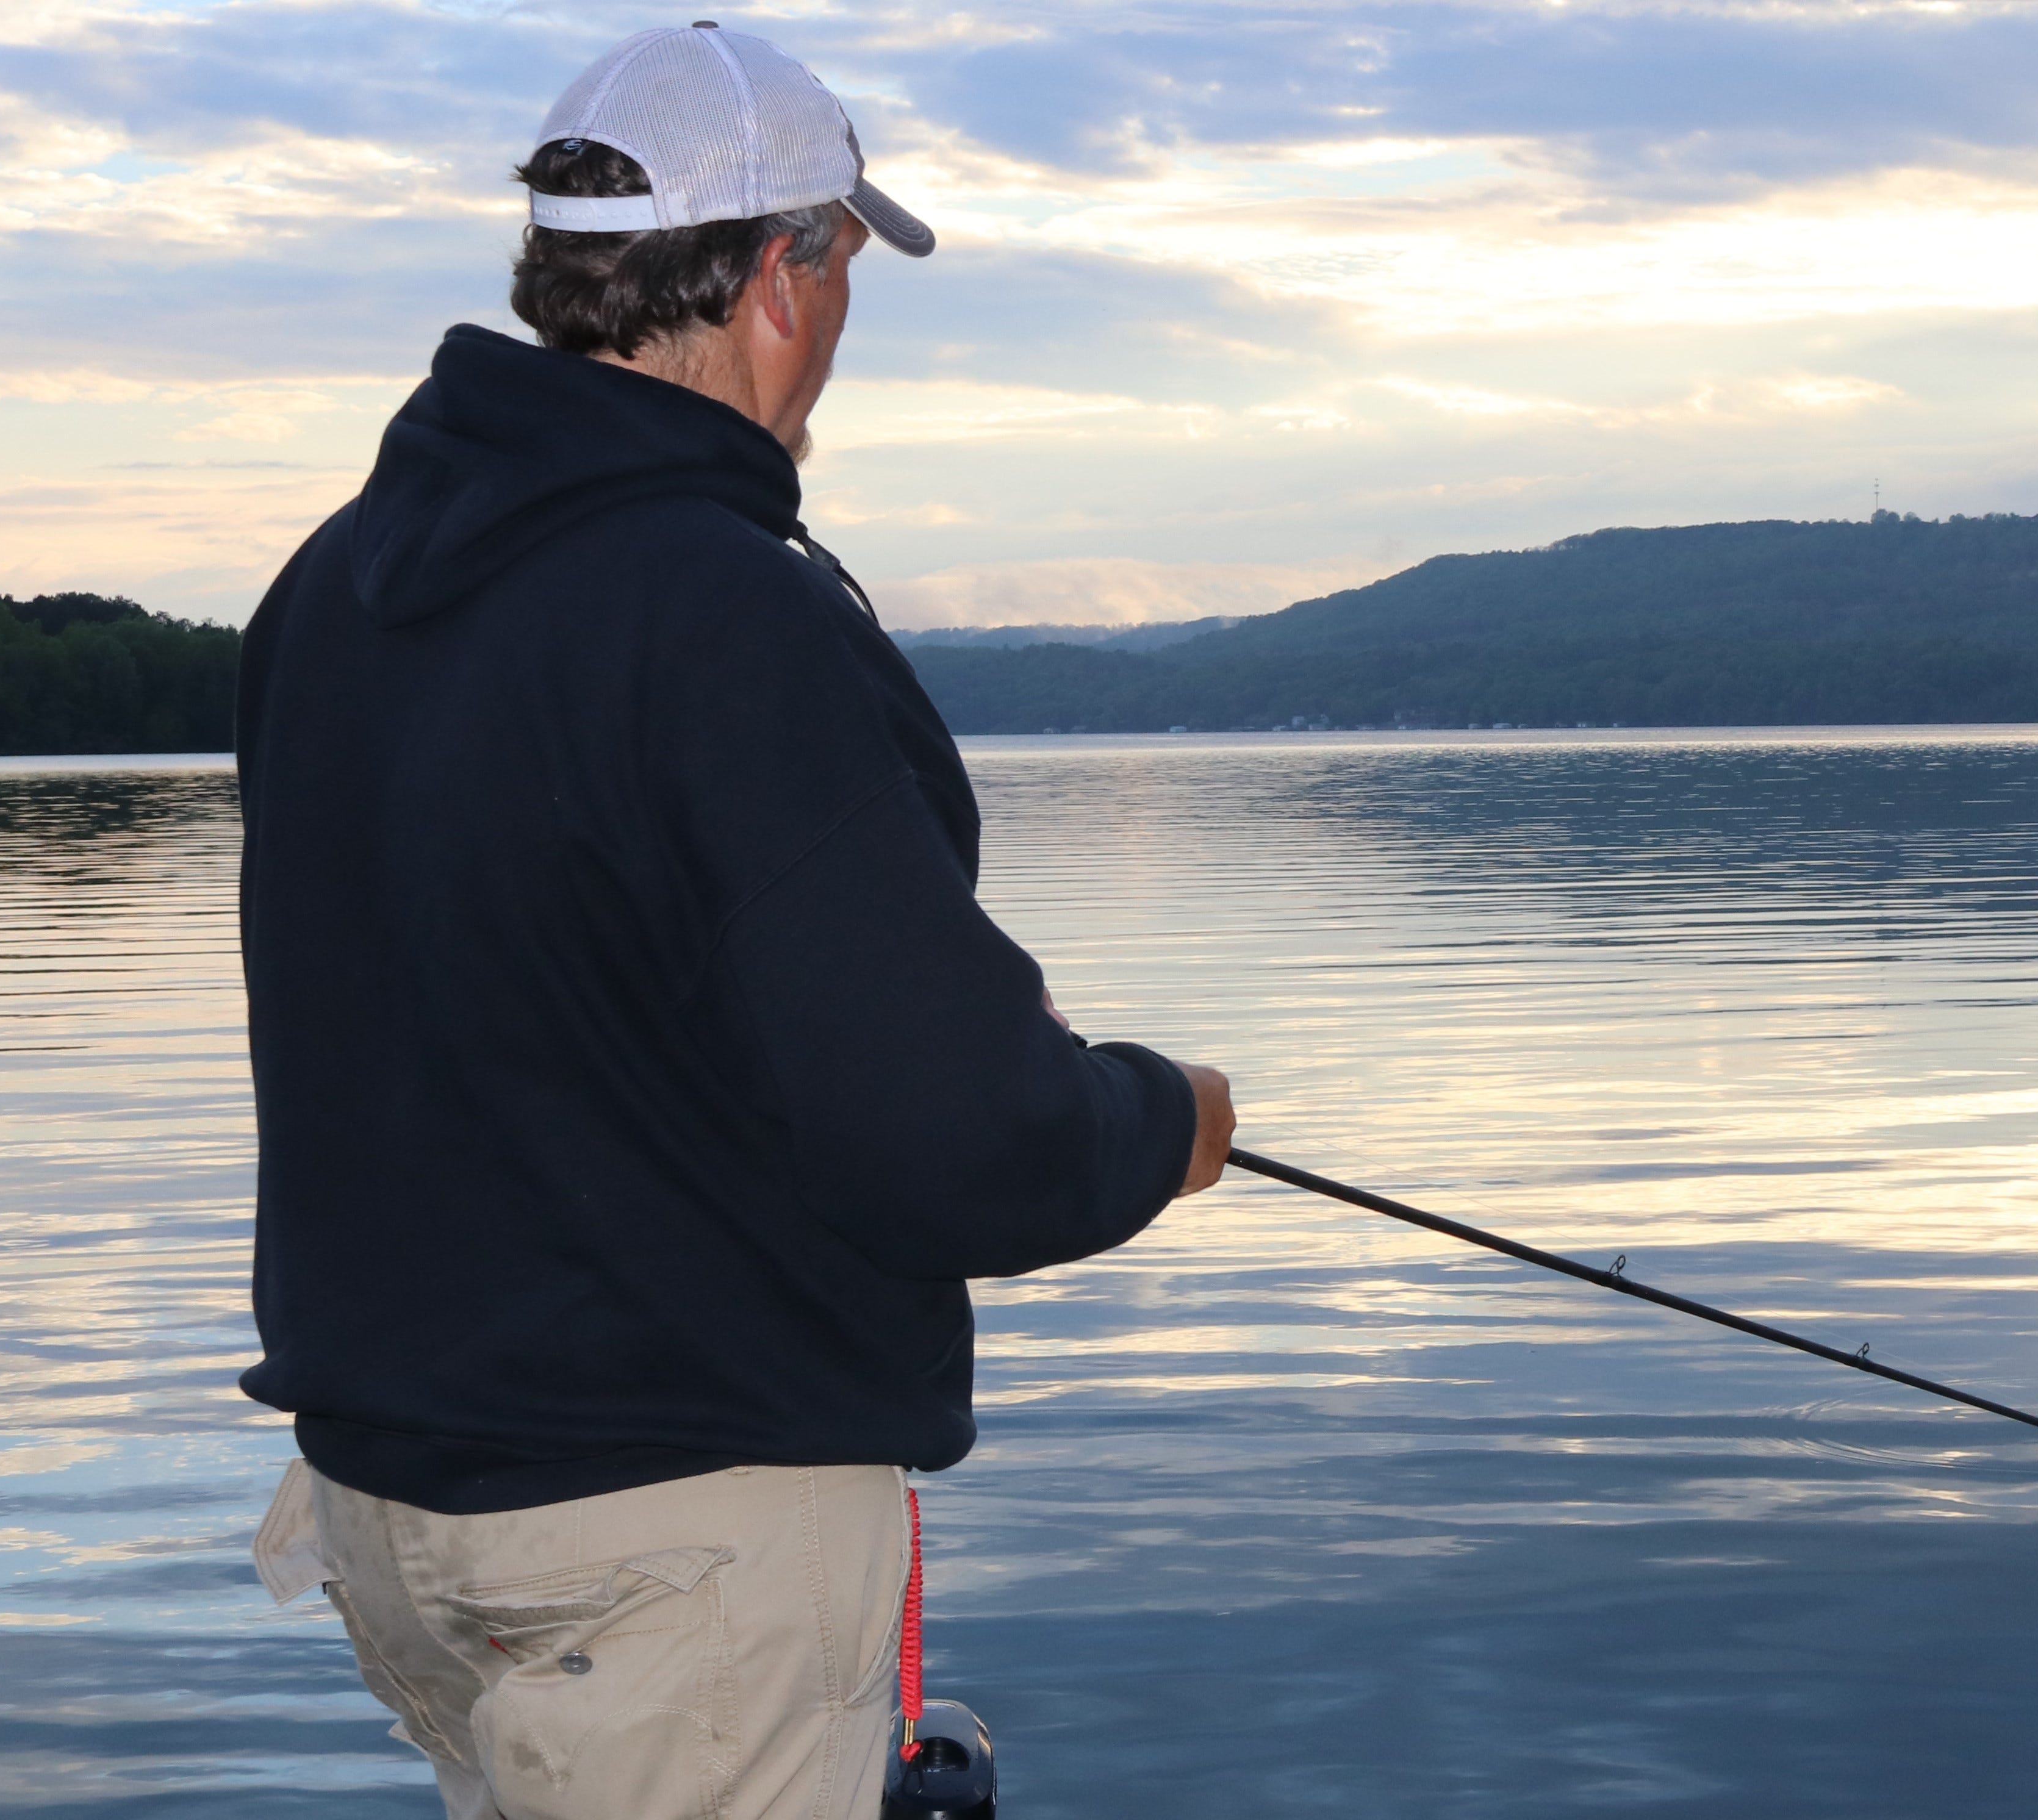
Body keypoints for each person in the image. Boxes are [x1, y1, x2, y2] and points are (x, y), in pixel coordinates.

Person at [227, 24, 1235, 1818]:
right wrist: (1162, 1121)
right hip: (670, 1544)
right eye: (843, 266)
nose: (843, 324)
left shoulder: (334, 591)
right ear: (784, 274)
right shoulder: (722, 617)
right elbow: (962, 1145)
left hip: (399, 1515)